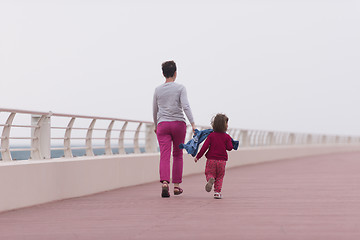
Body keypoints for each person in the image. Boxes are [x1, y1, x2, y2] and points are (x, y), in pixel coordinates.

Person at [153, 60, 196, 198]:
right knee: (177, 154)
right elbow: (186, 106)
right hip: (178, 124)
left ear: (163, 73)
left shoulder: (158, 90)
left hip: (163, 124)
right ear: (175, 73)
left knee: (164, 155)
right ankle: (176, 186)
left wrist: (156, 124)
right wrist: (193, 124)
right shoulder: (180, 88)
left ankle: (165, 183)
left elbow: (155, 109)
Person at [194, 113, 233, 199]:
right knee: (219, 177)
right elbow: (230, 148)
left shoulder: (211, 136)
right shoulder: (227, 137)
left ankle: (210, 179)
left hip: (211, 160)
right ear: (224, 125)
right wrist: (230, 142)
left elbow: (204, 147)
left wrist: (198, 156)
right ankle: (217, 192)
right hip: (222, 161)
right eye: (226, 123)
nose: (227, 125)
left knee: (209, 173)